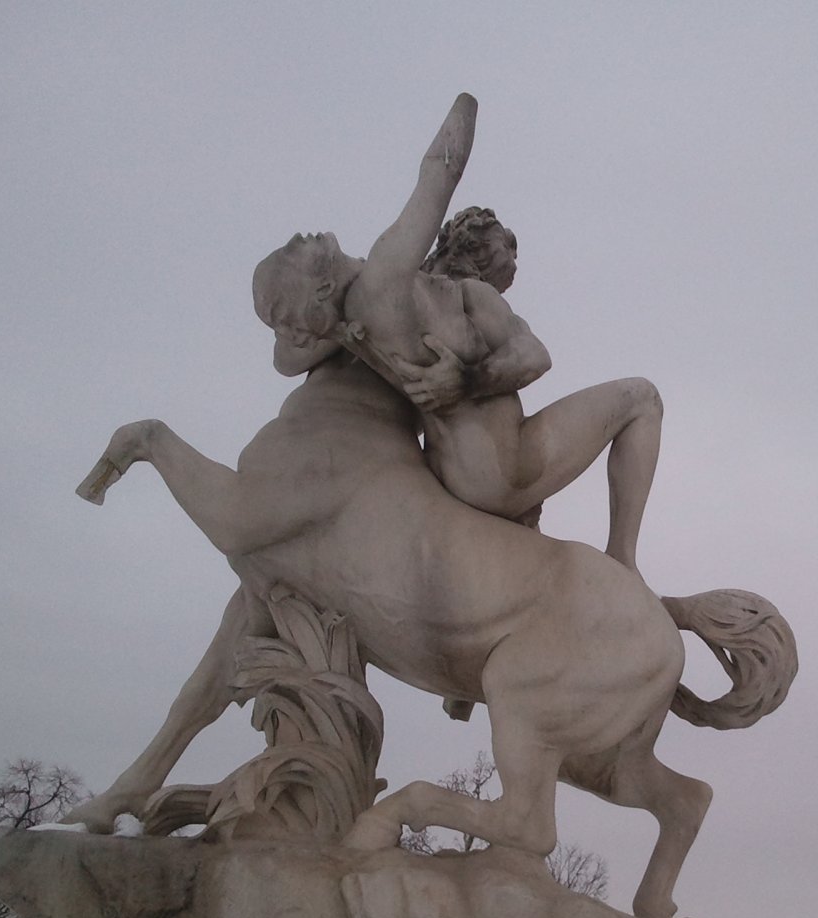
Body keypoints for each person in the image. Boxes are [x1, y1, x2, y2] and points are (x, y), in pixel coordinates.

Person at [251, 94, 661, 571]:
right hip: (502, 466)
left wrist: (331, 329)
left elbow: (288, 357)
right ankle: (623, 559)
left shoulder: (378, 309)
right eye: (505, 252)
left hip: (446, 469)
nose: (298, 238)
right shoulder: (400, 285)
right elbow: (536, 356)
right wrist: (470, 379)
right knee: (642, 398)